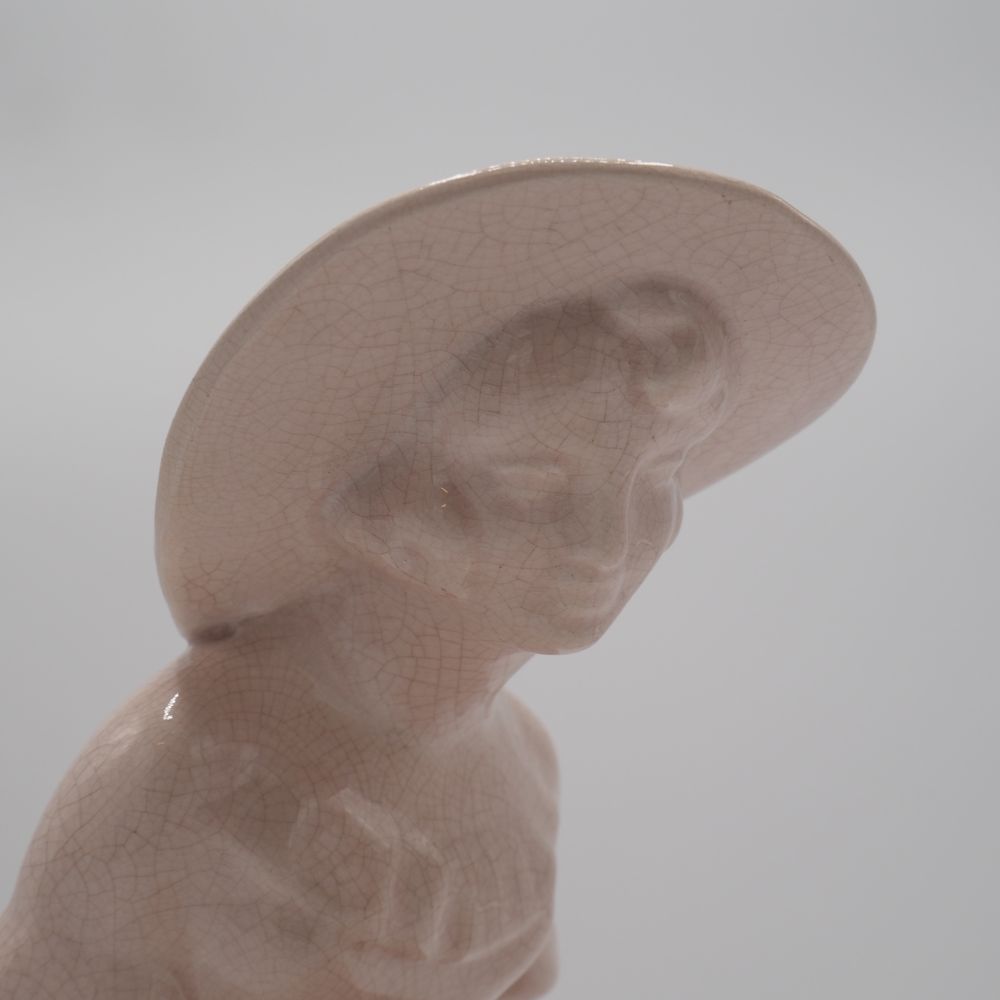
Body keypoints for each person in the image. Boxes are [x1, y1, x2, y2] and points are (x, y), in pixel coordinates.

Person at [0, 158, 875, 999]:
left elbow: (526, 983)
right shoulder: (195, 776)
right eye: (532, 481)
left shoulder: (523, 766)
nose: (608, 540)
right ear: (389, 497)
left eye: (655, 475)